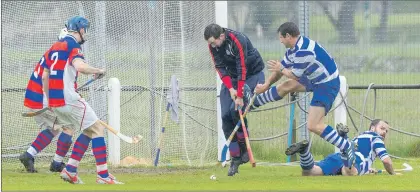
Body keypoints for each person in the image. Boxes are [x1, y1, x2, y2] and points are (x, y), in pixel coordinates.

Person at [251, 21, 356, 167]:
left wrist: (281, 68)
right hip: (315, 79)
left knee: (313, 125)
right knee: (286, 86)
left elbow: (293, 75)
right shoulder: (293, 49)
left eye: (281, 38)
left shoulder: (303, 51)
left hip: (327, 85)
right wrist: (266, 85)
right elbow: (282, 70)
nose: (280, 41)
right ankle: (253, 103)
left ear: (288, 36)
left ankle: (346, 145)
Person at [42, 16, 122, 184]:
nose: (86, 33)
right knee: (98, 127)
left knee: (88, 129)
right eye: (85, 29)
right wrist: (98, 70)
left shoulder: (54, 47)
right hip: (68, 98)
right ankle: (103, 175)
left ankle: (70, 170)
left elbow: (45, 77)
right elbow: (80, 66)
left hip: (56, 101)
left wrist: (50, 101)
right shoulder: (73, 45)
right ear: (80, 29)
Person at [204, 23, 265, 176]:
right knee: (225, 116)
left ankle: (244, 150)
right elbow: (220, 68)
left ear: (222, 36)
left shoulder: (238, 39)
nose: (212, 45)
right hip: (232, 79)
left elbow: (242, 67)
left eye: (213, 42)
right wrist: (231, 89)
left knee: (235, 111)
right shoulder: (213, 46)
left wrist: (239, 95)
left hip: (252, 75)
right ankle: (235, 157)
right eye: (210, 43)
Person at [19, 28, 77, 173]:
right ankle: (57, 164)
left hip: (34, 96)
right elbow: (48, 79)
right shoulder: (62, 55)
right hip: (44, 98)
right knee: (69, 127)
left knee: (53, 128)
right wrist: (52, 101)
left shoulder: (52, 52)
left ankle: (29, 155)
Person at [286, 119, 398, 176]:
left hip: (337, 157)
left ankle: (304, 152)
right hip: (354, 160)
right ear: (373, 128)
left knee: (310, 172)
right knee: (350, 173)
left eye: (386, 131)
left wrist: (368, 170)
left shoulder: (359, 137)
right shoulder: (376, 138)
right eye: (382, 128)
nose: (384, 132)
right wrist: (393, 174)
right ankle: (345, 146)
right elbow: (386, 161)